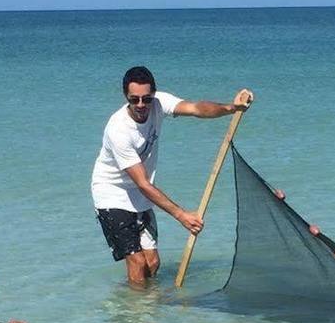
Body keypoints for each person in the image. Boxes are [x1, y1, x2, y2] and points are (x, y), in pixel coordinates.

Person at [90, 65, 254, 285]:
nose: (141, 105)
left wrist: (231, 108)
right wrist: (182, 215)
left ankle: (145, 306)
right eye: (134, 99)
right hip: (112, 194)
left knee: (152, 263)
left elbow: (196, 108)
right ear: (126, 97)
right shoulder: (118, 130)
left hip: (140, 194)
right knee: (137, 262)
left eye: (146, 99)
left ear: (153, 95)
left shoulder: (159, 103)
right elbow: (143, 184)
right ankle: (138, 316)